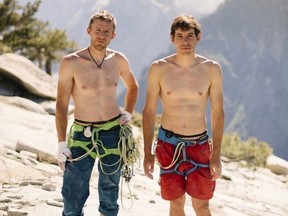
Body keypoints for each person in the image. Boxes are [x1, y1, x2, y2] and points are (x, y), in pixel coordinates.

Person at [55, 10, 139, 216]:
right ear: (89, 31)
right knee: (73, 190)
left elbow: (133, 86)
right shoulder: (71, 62)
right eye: (98, 31)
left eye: (106, 32)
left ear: (113, 35)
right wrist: (61, 144)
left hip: (113, 131)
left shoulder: (118, 60)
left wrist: (127, 112)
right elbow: (61, 104)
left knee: (110, 187)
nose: (101, 35)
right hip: (82, 133)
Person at [142, 14, 224, 216]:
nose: (185, 41)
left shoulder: (211, 69)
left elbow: (218, 112)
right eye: (180, 36)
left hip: (200, 145)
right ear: (172, 39)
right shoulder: (159, 68)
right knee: (176, 203)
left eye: (189, 36)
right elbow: (149, 111)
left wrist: (216, 155)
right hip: (168, 145)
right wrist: (147, 152)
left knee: (202, 205)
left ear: (199, 37)